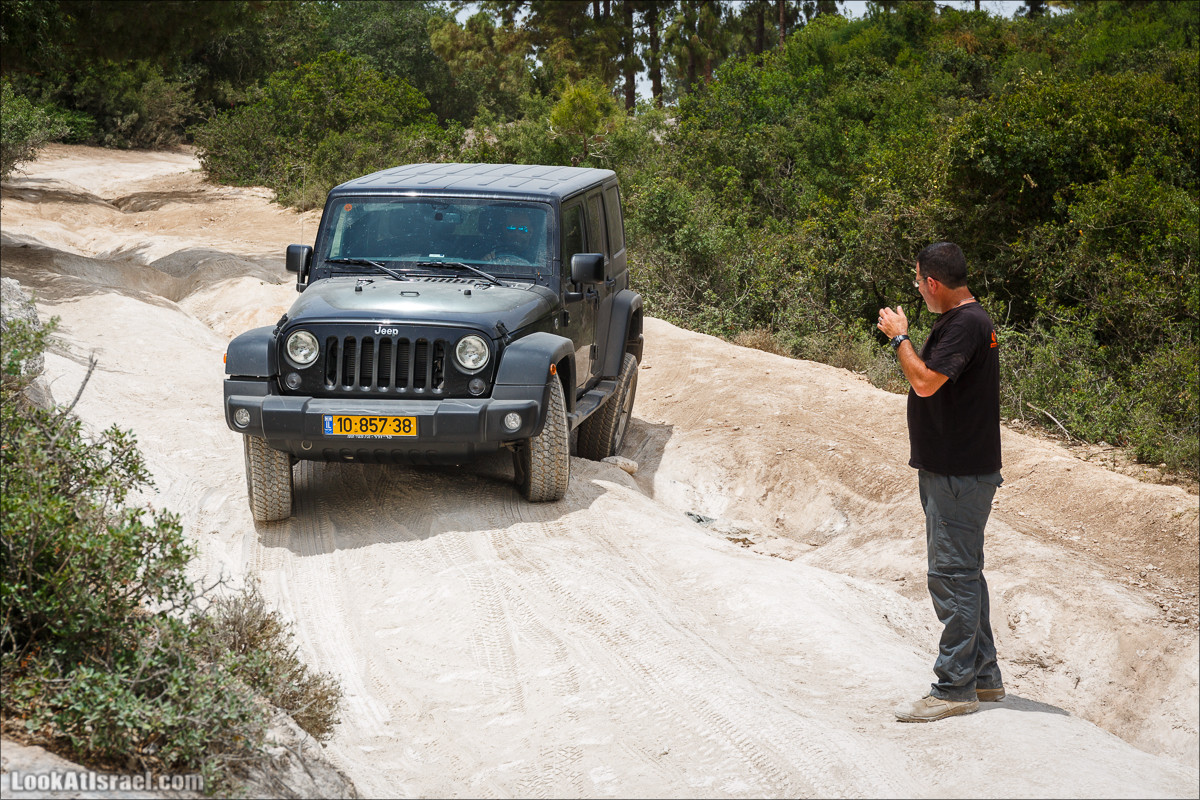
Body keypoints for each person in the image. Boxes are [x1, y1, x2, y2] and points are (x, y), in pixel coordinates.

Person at [876, 241, 1004, 723]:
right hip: (961, 469)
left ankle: (953, 688)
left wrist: (899, 338)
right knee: (966, 574)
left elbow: (925, 381)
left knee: (951, 579)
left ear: (932, 282)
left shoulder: (966, 323)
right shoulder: (971, 321)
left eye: (917, 282)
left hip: (957, 473)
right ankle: (985, 677)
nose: (917, 290)